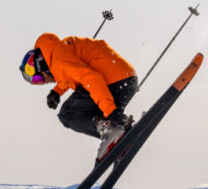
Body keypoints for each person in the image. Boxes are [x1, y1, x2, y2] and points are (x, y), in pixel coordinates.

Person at [20, 33, 138, 161]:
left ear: (40, 65)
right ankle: (118, 134)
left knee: (68, 113)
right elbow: (72, 73)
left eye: (37, 78)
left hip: (111, 82)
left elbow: (91, 79)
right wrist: (57, 91)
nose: (43, 82)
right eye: (37, 82)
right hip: (125, 80)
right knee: (95, 114)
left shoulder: (59, 61)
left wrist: (110, 111)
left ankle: (112, 131)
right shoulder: (58, 53)